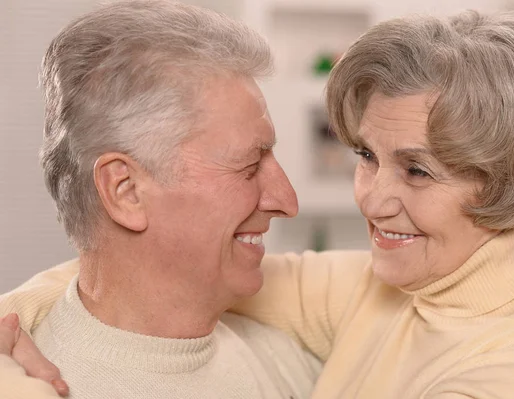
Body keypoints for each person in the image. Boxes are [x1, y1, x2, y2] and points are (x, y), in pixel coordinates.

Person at [4, 8, 514, 399]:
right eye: (367, 155)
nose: (371, 198)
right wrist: (13, 316)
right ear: (124, 190)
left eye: (416, 170)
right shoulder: (389, 287)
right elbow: (137, 275)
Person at [0, 1, 323, 398]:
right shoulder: (29, 384)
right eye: (249, 166)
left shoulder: (294, 363)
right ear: (126, 191)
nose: (286, 201)